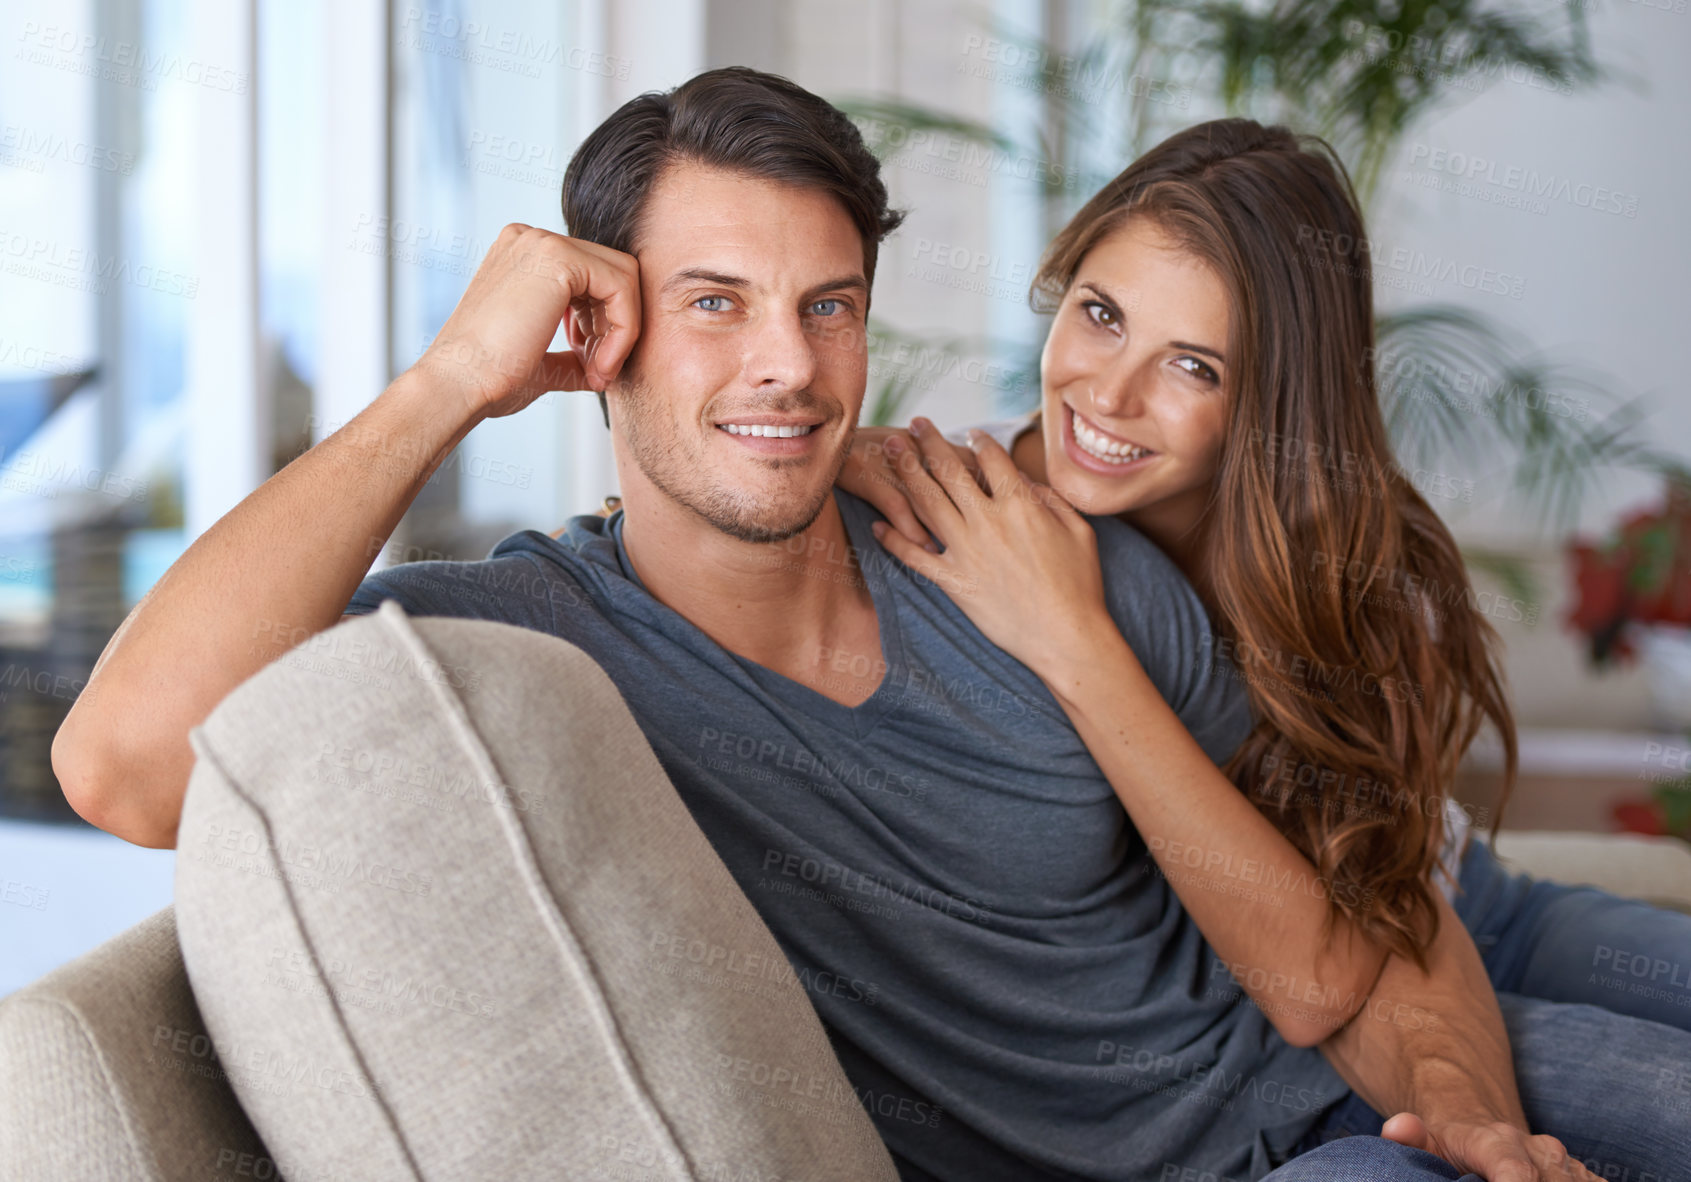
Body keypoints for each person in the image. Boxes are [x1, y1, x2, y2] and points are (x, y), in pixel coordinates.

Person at [51, 70, 1646, 1181]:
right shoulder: (532, 653)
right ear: (594, 331)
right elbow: (121, 763)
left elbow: (1363, 886)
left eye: (826, 304)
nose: (789, 367)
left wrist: (1458, 1100)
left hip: (1358, 1085)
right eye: (715, 302)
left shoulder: (1011, 545)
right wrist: (449, 380)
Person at [840, 116, 1691, 1173]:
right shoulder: (966, 521)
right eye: (1099, 314)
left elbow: (1387, 925)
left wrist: (1074, 637)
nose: (1107, 396)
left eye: (1192, 366)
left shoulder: (1352, 571)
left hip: (1442, 923)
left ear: (1271, 399)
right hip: (1287, 1011)